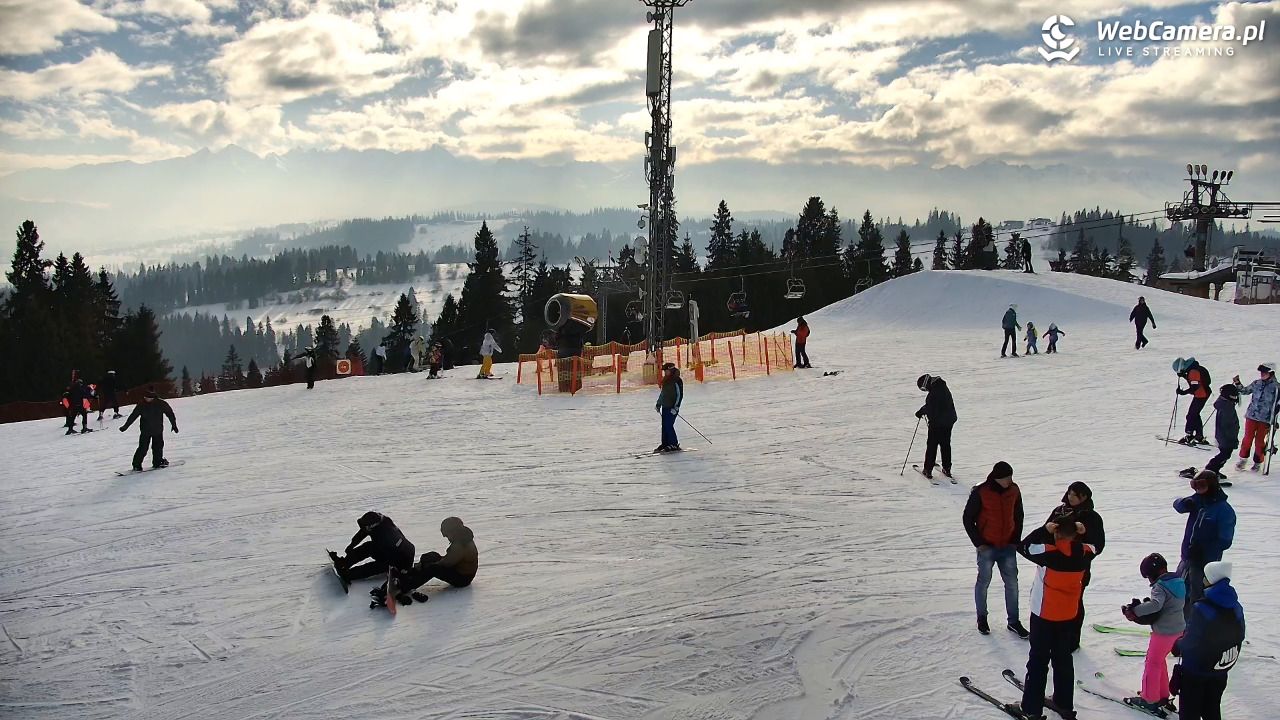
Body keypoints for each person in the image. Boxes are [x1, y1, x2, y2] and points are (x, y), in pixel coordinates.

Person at [1008, 521, 1095, 720]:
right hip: (1068, 615)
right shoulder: (1085, 552)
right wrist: (1083, 531)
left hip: (1044, 614)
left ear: (1056, 534)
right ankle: (1064, 703)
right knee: (1063, 659)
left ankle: (1030, 709)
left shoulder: (1048, 552)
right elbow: (1095, 545)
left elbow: (1023, 546)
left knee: (1038, 660)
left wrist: (1044, 530)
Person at [1172, 560, 1244, 720]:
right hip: (1220, 668)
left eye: (1206, 577)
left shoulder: (1201, 608)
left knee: (1190, 713)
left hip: (1196, 671)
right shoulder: (1236, 606)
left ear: (1212, 580)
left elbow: (1191, 640)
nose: (1203, 580)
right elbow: (1240, 635)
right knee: (1211, 709)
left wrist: (1177, 645)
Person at [962, 461, 1027, 637]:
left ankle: (1013, 622)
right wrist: (979, 543)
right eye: (1007, 478)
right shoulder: (981, 492)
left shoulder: (1014, 490)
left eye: (1011, 477)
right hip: (987, 547)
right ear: (997, 478)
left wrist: (1015, 540)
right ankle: (982, 618)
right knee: (983, 583)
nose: (1010, 481)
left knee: (1012, 584)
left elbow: (1018, 515)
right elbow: (968, 518)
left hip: (1007, 546)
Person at [1042, 481, 1105, 651]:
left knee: (1075, 603)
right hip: (1055, 566)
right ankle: (1053, 637)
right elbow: (1045, 534)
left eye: (1074, 494)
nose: (1070, 497)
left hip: (1078, 569)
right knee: (1053, 602)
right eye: (1069, 493)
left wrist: (1085, 535)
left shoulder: (1092, 517)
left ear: (1084, 497)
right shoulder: (1059, 511)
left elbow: (1098, 545)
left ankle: (1072, 641)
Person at [1121, 553, 1186, 716]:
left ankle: (1149, 699)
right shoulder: (1178, 581)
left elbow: (1156, 605)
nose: (1150, 581)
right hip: (1179, 630)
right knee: (1159, 661)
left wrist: (1134, 611)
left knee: (1152, 663)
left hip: (1163, 633)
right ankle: (1162, 696)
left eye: (1149, 576)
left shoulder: (1161, 586)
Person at [1173, 470, 1235, 621]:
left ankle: (1193, 629)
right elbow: (1178, 506)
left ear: (1212, 486)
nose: (1197, 491)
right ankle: (1177, 626)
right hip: (1187, 558)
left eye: (1201, 486)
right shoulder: (1198, 500)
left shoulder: (1224, 510)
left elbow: (1225, 540)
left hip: (1204, 563)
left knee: (1196, 597)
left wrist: (1203, 549)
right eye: (1195, 486)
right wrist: (1184, 502)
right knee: (1178, 593)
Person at [380, 516, 478, 606]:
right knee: (431, 556)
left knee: (433, 569)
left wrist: (427, 566)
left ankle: (405, 586)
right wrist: (425, 562)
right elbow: (449, 559)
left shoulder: (460, 545)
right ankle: (409, 574)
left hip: (462, 579)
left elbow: (446, 563)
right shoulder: (462, 538)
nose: (446, 537)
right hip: (457, 568)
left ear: (453, 531)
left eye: (447, 534)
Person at [329, 511, 416, 584]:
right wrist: (351, 546)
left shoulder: (387, 535)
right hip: (388, 549)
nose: (365, 529)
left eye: (366, 527)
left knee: (379, 565)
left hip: (401, 560)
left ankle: (350, 574)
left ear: (372, 526)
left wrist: (403, 572)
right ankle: (344, 563)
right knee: (369, 546)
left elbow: (407, 552)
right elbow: (362, 533)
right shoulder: (377, 523)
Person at [1232, 362, 1277, 471]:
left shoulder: (1276, 387)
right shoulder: (1257, 383)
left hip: (1265, 419)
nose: (1262, 374)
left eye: (1264, 372)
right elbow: (1245, 391)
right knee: (1247, 438)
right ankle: (1243, 459)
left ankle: (1258, 462)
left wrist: (1274, 420)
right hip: (1251, 416)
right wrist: (1238, 383)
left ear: (1271, 373)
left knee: (1260, 441)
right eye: (1261, 372)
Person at [119, 386, 178, 470]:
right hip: (145, 431)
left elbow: (170, 414)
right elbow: (133, 416)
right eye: (145, 397)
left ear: (153, 397)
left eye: (148, 398)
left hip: (158, 430)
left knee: (157, 447)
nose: (146, 399)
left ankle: (157, 462)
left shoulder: (161, 404)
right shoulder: (141, 405)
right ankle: (136, 465)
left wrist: (174, 425)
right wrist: (125, 426)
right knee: (143, 448)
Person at [915, 374, 956, 480]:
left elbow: (930, 408)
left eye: (924, 389)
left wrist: (920, 412)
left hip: (938, 424)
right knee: (945, 444)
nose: (925, 391)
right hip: (949, 421)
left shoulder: (933, 393)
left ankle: (928, 470)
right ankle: (947, 468)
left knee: (932, 446)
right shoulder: (942, 387)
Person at [1204, 384, 1240, 479]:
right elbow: (1228, 425)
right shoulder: (1227, 408)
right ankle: (1210, 470)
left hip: (1225, 436)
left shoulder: (1226, 405)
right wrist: (1231, 439)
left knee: (1224, 455)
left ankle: (1213, 470)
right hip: (1226, 437)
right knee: (1224, 455)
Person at [1177, 358, 1212, 445]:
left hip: (1201, 395)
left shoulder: (1193, 372)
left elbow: (1194, 386)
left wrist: (1183, 392)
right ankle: (1199, 436)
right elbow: (1195, 381)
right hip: (1203, 394)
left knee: (1191, 415)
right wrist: (1184, 376)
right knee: (1195, 414)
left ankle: (1189, 436)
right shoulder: (1195, 368)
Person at [655, 362, 683, 452]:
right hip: (665, 406)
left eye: (666, 371)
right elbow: (663, 394)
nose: (665, 373)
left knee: (669, 425)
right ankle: (665, 443)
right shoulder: (665, 380)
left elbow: (680, 395)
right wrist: (658, 404)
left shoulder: (677, 380)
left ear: (671, 370)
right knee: (664, 425)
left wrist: (676, 407)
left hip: (672, 408)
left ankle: (674, 444)